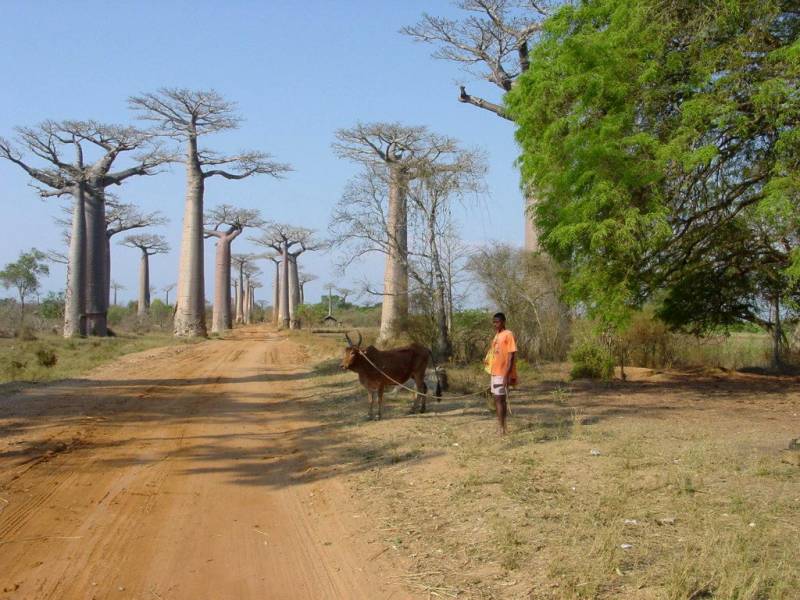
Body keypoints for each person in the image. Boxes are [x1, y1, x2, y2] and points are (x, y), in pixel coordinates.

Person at [487, 312, 517, 435]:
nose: (495, 324)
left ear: (503, 322)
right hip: (494, 372)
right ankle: (502, 426)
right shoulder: (496, 336)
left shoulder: (508, 334)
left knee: (500, 400)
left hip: (502, 373)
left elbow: (511, 356)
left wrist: (506, 375)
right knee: (496, 400)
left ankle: (502, 428)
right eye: (494, 322)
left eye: (498, 322)